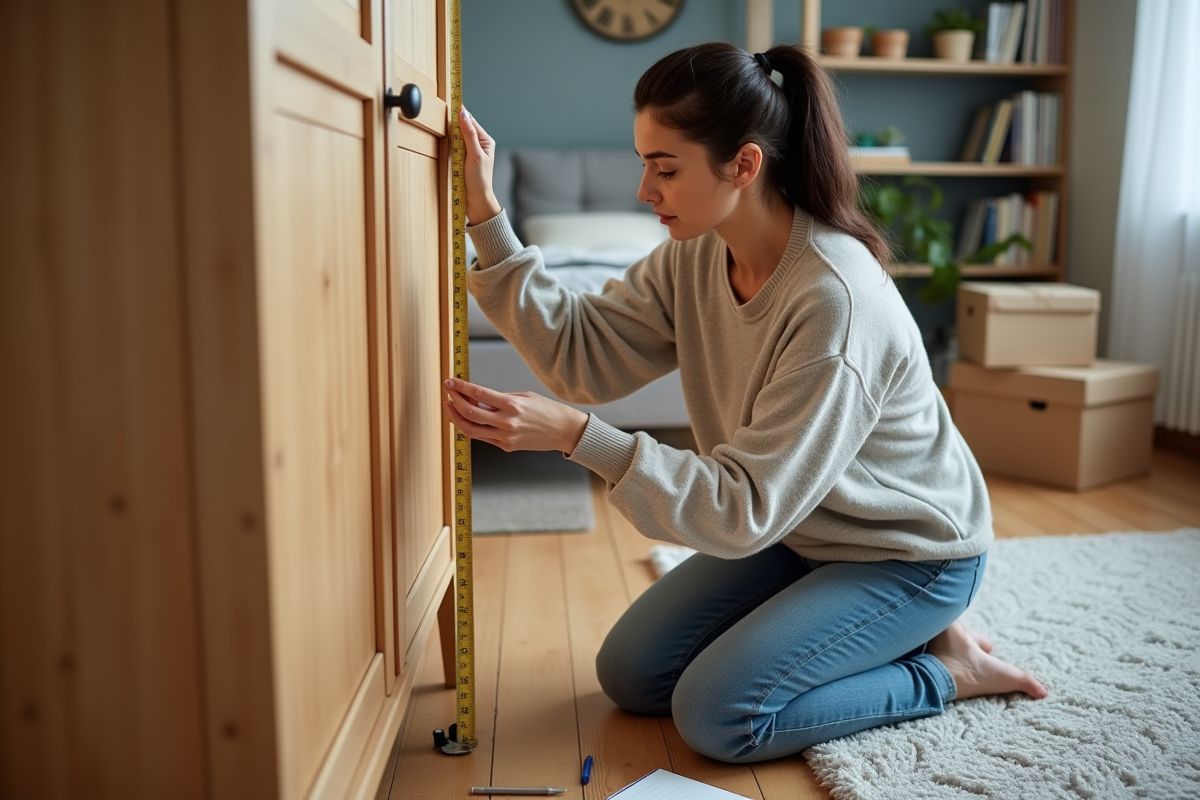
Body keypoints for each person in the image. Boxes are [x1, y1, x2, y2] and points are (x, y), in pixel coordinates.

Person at [444, 42, 1048, 764]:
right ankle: (893, 631)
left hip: (905, 550)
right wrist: (486, 213)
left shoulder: (836, 303)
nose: (645, 190)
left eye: (665, 168)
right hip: (800, 528)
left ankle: (946, 668)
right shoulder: (696, 254)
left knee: (719, 715)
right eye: (644, 163)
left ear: (745, 164)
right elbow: (584, 353)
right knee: (632, 674)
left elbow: (741, 509)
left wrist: (580, 437)